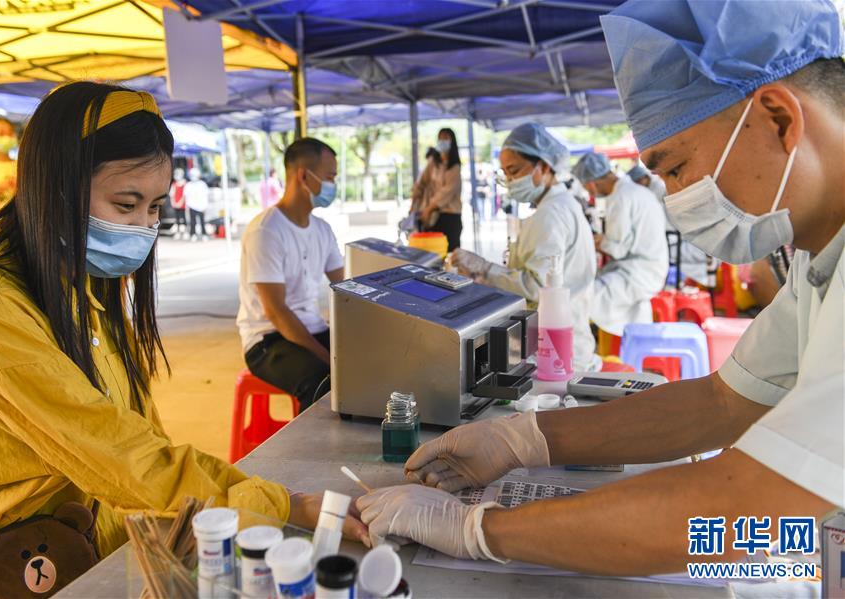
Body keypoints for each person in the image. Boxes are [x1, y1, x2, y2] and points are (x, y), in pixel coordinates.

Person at [356, 0, 843, 575]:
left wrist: (476, 528)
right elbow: (723, 401)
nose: (673, 198)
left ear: (779, 119)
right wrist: (525, 440)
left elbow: (745, 506)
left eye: (676, 168)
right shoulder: (820, 263)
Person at [0, 83, 367, 595]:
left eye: (154, 208)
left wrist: (232, 505)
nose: (144, 227)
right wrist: (276, 504)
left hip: (103, 536)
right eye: (126, 204)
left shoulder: (84, 282)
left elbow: (141, 435)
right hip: (22, 562)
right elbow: (109, 450)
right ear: (55, 187)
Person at [448, 123, 602, 373]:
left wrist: (486, 269)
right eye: (505, 174)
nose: (510, 181)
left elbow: (537, 287)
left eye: (514, 171)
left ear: (543, 165)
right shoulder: (558, 205)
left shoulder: (551, 214)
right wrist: (485, 276)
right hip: (565, 339)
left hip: (556, 350)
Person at [237, 138, 344, 411]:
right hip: (268, 340)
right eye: (330, 176)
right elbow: (277, 311)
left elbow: (346, 288)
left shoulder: (322, 230)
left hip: (312, 329)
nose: (334, 185)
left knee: (373, 363)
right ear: (304, 175)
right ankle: (313, 454)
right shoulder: (267, 231)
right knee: (324, 381)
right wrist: (326, 357)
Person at [573, 151, 668, 337]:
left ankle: (587, 353)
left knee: (581, 298)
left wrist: (596, 243)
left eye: (587, 188)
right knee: (588, 285)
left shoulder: (621, 197)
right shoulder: (635, 191)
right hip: (646, 267)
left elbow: (618, 249)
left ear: (591, 183)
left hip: (640, 273)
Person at [629, 163, 709, 286]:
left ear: (643, 179)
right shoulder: (653, 191)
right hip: (675, 238)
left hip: (679, 241)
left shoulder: (659, 191)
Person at [421, 128, 463, 251]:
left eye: (446, 138)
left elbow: (447, 192)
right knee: (433, 254)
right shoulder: (433, 163)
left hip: (450, 216)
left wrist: (429, 208)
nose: (442, 140)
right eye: (440, 137)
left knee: (450, 253)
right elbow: (422, 182)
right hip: (434, 216)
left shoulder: (455, 167)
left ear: (452, 141)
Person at [409, 147, 442, 231]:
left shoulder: (436, 169)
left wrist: (412, 207)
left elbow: (416, 190)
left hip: (429, 210)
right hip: (426, 211)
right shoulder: (429, 170)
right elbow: (417, 189)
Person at [184, 167, 209, 241]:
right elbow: (186, 196)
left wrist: (205, 205)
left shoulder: (202, 184)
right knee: (192, 221)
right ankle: (193, 234)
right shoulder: (188, 185)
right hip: (191, 205)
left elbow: (205, 195)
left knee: (202, 221)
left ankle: (204, 234)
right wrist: (187, 206)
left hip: (201, 206)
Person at [169, 167, 188, 239]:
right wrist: (173, 203)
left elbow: (184, 195)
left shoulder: (185, 183)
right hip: (175, 204)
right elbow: (172, 194)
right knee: (177, 219)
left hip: (182, 205)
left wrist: (180, 203)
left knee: (183, 218)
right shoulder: (174, 184)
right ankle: (178, 232)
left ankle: (185, 232)